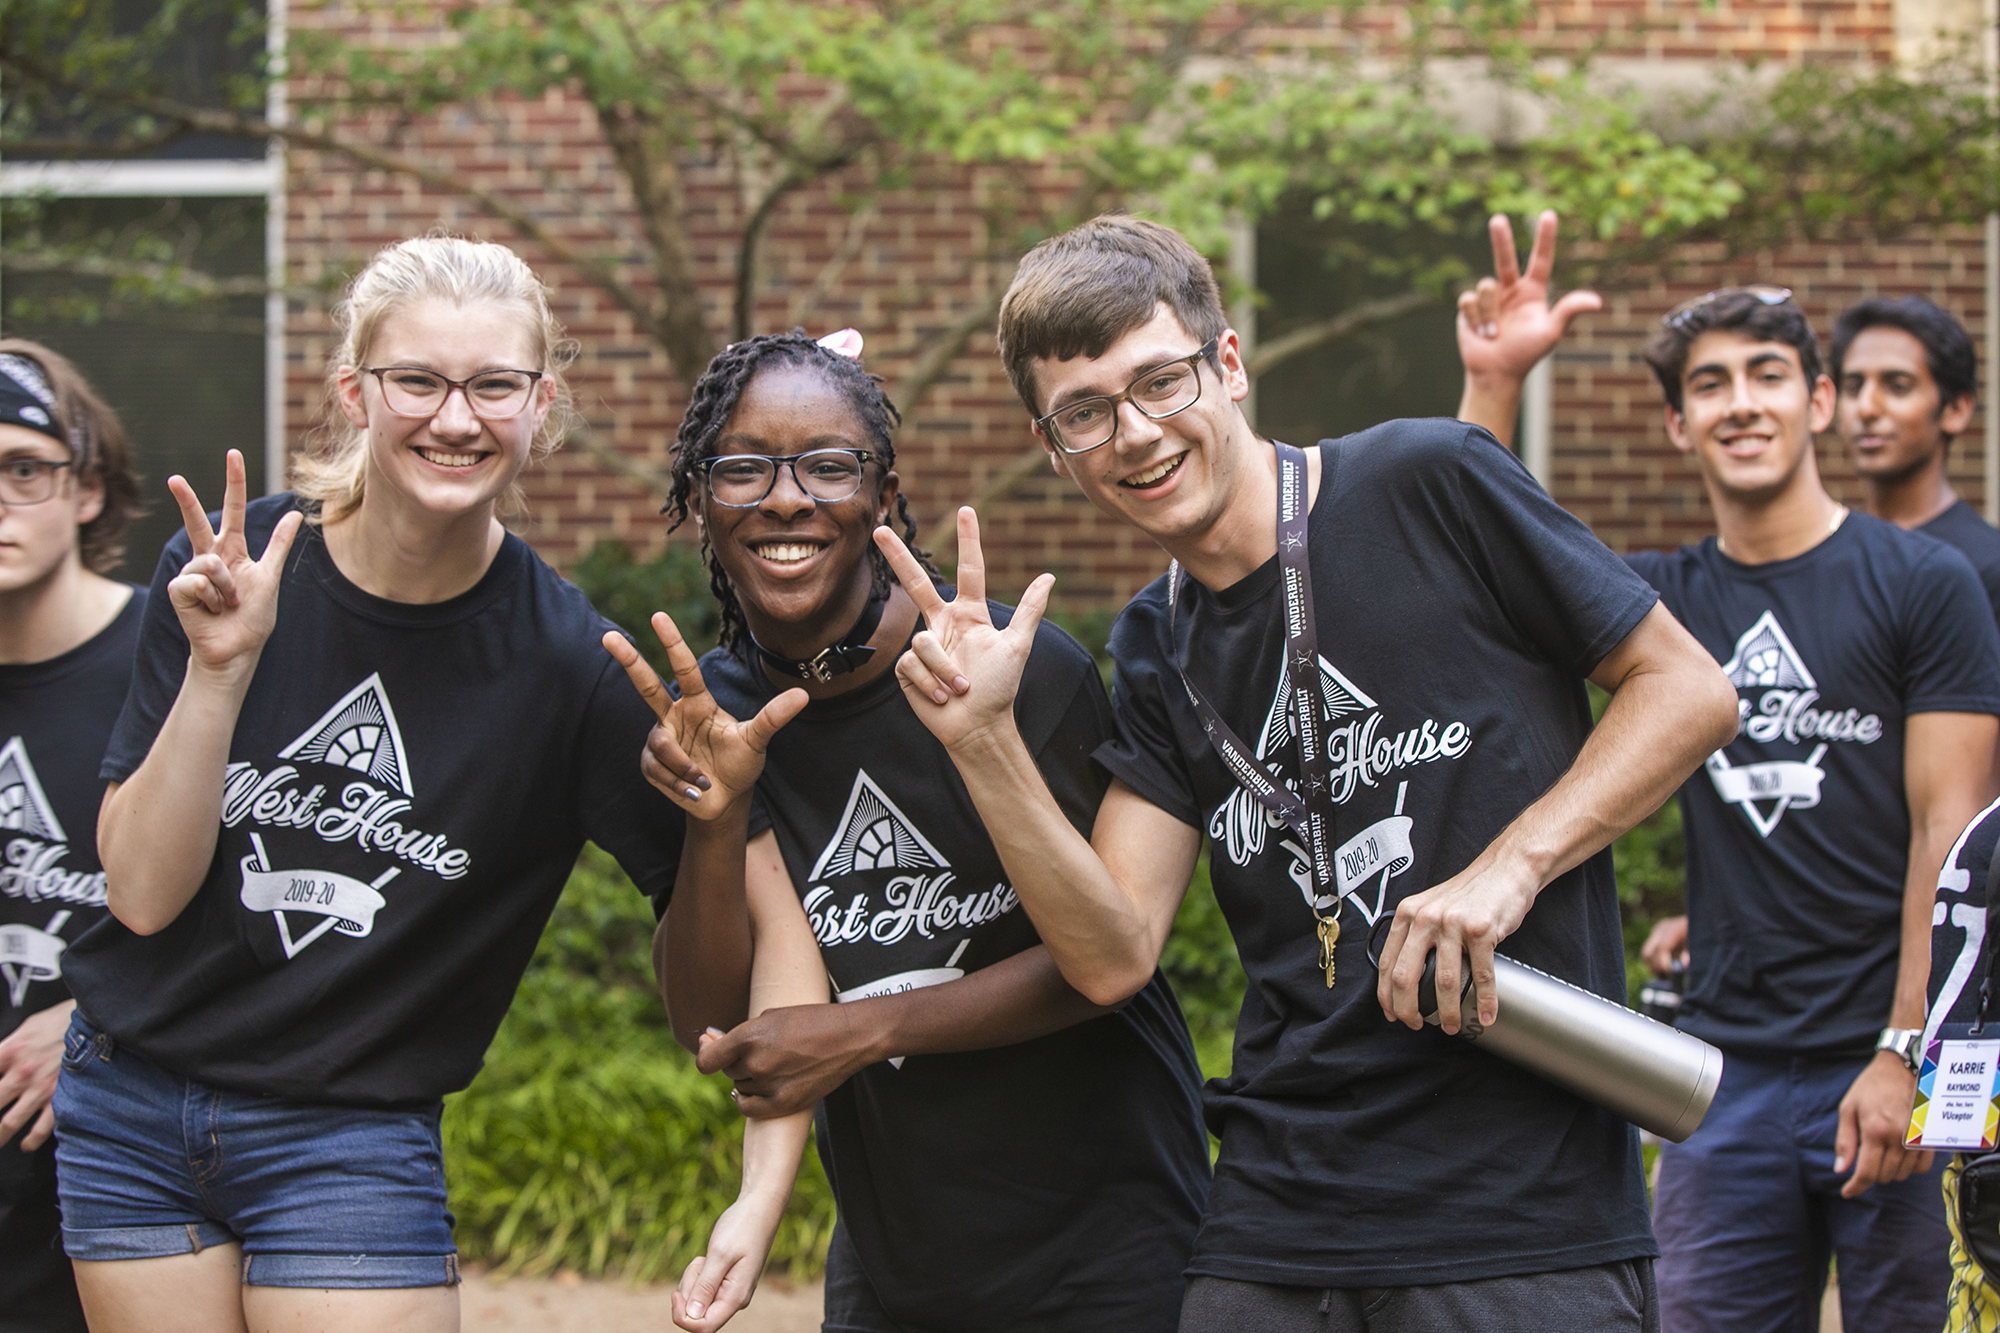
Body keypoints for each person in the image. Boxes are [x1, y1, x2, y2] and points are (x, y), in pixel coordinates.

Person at [867, 211, 1739, 1330]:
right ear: (1054, 447)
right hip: (1277, 1214)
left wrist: (1507, 868)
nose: (1133, 434)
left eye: (1159, 383)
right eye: (1084, 413)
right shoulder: (1153, 641)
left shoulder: (1429, 479)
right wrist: (984, 747)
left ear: (1225, 365)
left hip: (1514, 1208)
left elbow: (1686, 691)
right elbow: (1109, 952)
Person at [51, 235, 684, 1333]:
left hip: (348, 1130)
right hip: (130, 1097)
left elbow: (713, 909)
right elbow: (142, 894)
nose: (456, 418)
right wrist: (219, 670)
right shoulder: (230, 572)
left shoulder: (572, 667)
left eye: (495, 385)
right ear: (355, 391)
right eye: (418, 382)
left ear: (541, 405)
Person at [605, 329, 1210, 1332]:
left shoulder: (1023, 672)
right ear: (699, 503)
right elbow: (721, 1022)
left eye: (828, 465)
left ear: (881, 495)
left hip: (1110, 1239)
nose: (787, 497)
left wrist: (859, 1029)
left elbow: (1103, 960)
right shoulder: (716, 713)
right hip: (895, 1259)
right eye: (744, 468)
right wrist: (714, 824)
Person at [1462, 276, 2000, 1330]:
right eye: (1708, 385)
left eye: (1766, 376)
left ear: (1818, 401)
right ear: (1675, 424)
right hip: (1720, 1072)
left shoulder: (1923, 581)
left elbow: (1951, 832)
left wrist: (1905, 1052)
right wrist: (1492, 385)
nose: (1739, 403)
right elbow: (1478, 579)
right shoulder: (1660, 603)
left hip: (1883, 1052)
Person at [0, 339, 142, 1333]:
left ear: (88, 490)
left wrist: (97, 1013)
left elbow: (262, 907)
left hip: (114, 1174)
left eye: (23, 467)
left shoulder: (178, 656)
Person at [1829, 296, 1997, 623]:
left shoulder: (1988, 566)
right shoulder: (1828, 557)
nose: (1866, 408)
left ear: (1955, 410)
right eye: (1853, 387)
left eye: (1898, 386)